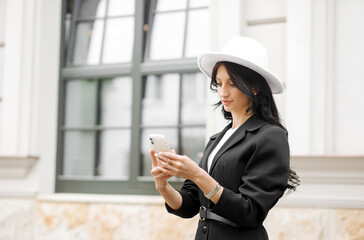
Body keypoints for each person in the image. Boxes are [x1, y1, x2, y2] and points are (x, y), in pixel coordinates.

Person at [150, 37, 299, 240]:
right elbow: (189, 206)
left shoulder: (270, 136)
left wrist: (196, 174)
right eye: (218, 83)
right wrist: (163, 186)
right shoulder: (216, 140)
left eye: (232, 83)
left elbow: (250, 212)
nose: (222, 92)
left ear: (254, 87)